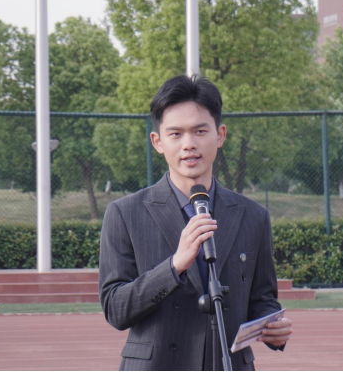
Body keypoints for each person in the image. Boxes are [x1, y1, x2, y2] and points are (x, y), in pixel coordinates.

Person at [99, 75, 293, 371]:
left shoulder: (253, 215)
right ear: (158, 142)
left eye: (200, 131)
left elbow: (262, 299)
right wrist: (174, 266)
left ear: (220, 135)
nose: (189, 144)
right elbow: (115, 309)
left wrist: (273, 327)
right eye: (175, 134)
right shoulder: (125, 213)